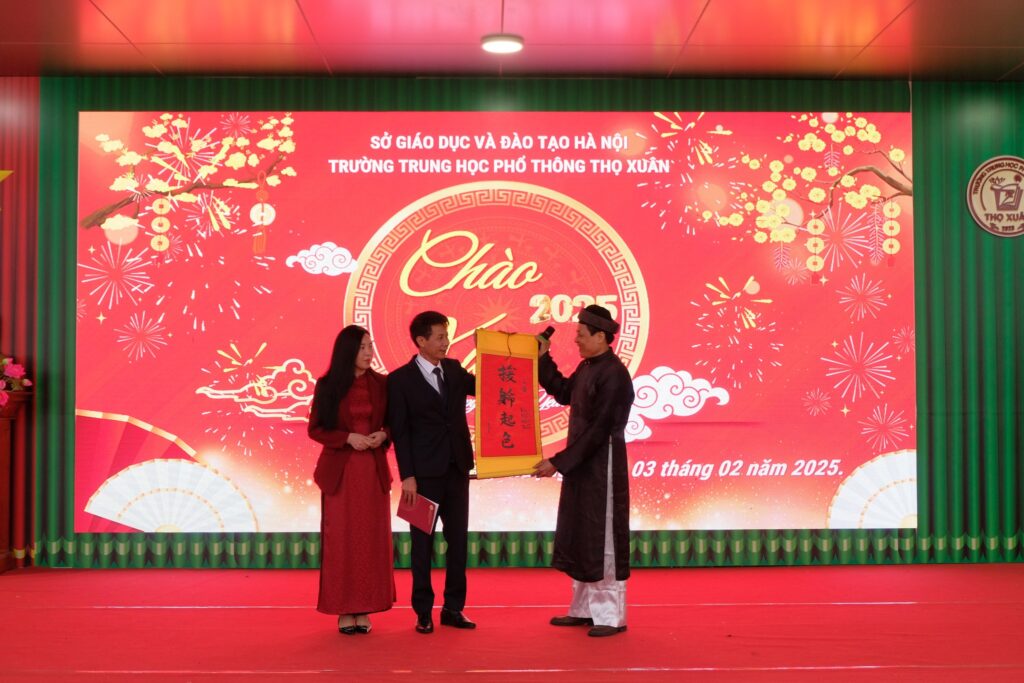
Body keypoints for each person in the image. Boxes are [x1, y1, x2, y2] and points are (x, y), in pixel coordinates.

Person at [532, 304, 635, 637]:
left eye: (580, 334)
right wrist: (543, 359)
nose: (575, 339)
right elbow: (564, 392)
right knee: (582, 535)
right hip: (581, 464)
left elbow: (599, 431)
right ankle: (584, 609)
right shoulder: (589, 366)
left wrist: (558, 462)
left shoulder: (614, 375)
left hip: (602, 466)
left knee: (602, 538)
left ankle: (610, 616)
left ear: (600, 336)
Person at [387, 310, 477, 634]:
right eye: (439, 337)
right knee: (421, 544)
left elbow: (486, 386)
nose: (446, 342)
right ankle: (423, 611)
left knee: (458, 542)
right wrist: (407, 476)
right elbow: (400, 432)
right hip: (422, 476)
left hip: (457, 469)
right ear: (421, 340)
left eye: (446, 336)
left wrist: (497, 354)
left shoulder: (454, 369)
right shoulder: (399, 380)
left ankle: (453, 608)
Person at [308, 325, 394, 635]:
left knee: (369, 540)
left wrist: (383, 434)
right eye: (362, 347)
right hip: (341, 474)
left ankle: (365, 607)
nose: (369, 352)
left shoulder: (382, 384)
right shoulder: (328, 385)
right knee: (342, 540)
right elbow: (316, 429)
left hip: (372, 472)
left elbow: (394, 423)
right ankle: (344, 609)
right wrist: (347, 438)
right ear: (348, 351)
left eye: (370, 346)